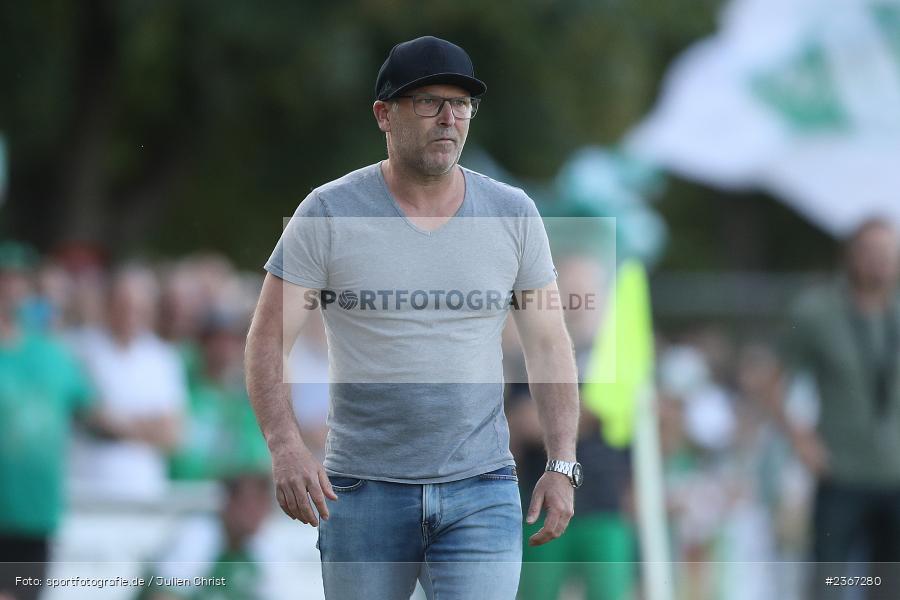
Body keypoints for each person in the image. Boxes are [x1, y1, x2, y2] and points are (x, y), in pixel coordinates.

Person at [245, 36, 581, 600]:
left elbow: (549, 345)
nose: (449, 118)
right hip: (360, 489)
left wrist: (562, 463)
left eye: (461, 103)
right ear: (384, 114)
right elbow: (266, 340)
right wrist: (284, 446)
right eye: (428, 102)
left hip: (482, 488)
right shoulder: (328, 211)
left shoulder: (512, 212)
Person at [764, 218, 900, 599]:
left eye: (889, 254)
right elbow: (773, 381)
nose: (880, 263)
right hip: (842, 473)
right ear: (851, 256)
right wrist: (801, 440)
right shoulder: (818, 311)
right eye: (871, 253)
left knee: (888, 587)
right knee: (829, 584)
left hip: (895, 475)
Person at [0, 242, 94, 600]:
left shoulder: (53, 353)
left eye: (17, 281)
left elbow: (93, 413)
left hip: (35, 515)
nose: (9, 290)